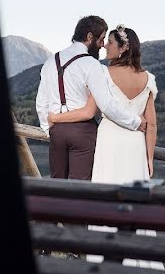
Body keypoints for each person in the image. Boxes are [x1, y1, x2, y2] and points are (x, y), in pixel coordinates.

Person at [49, 24, 163, 269]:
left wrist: (56, 117)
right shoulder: (147, 79)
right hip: (135, 147)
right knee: (135, 200)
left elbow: (93, 109)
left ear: (122, 49)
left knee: (107, 194)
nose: (105, 46)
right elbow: (151, 125)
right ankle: (139, 256)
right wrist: (149, 158)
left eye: (110, 43)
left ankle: (104, 253)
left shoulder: (103, 73)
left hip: (110, 139)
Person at [35, 16, 145, 180]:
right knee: (80, 190)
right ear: (89, 37)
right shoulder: (92, 65)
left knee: (57, 187)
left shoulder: (50, 62)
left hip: (57, 132)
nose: (102, 45)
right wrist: (135, 122)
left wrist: (48, 129)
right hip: (83, 133)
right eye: (101, 39)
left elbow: (41, 104)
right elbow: (106, 104)